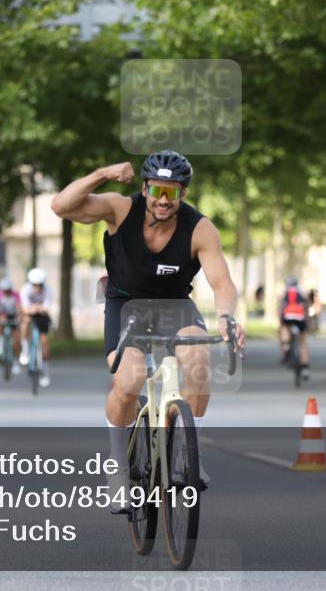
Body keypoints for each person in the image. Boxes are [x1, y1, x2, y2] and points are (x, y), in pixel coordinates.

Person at [50, 150, 246, 513]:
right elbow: (61, 206)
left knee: (199, 360)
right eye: (156, 190)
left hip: (175, 306)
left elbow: (222, 282)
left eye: (172, 192)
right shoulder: (120, 209)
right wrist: (103, 173)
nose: (163, 200)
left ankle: (188, 456)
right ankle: (118, 470)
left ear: (183, 194)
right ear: (144, 188)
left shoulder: (199, 228)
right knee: (129, 380)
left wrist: (225, 317)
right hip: (126, 306)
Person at [19, 267, 54, 387]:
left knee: (44, 343)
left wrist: (38, 308)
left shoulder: (48, 290)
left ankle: (45, 370)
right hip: (30, 314)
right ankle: (25, 350)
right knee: (25, 322)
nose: (37, 287)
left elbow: (46, 308)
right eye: (35, 285)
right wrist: (34, 308)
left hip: (42, 316)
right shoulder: (25, 290)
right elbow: (25, 309)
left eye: (40, 285)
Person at [279, 276, 310, 380]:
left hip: (288, 317)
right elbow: (306, 306)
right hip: (300, 318)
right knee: (303, 343)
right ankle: (305, 369)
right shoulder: (302, 291)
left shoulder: (285, 292)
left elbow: (281, 307)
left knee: (284, 328)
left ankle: (287, 346)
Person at [0, 276, 22, 375]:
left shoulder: (16, 295)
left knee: (16, 340)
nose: (6, 292)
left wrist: (19, 317)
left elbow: (19, 308)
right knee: (0, 323)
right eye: (4, 290)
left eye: (8, 290)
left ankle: (16, 361)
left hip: (13, 316)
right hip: (2, 315)